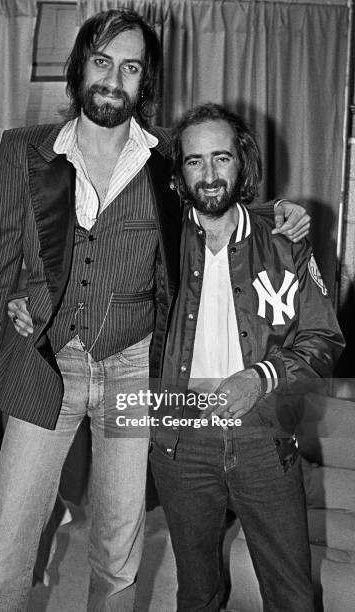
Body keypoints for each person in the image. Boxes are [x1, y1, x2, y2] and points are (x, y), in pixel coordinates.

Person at [0, 8, 310, 611]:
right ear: (80, 67)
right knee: (3, 557)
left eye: (132, 67)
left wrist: (282, 215)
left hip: (134, 371)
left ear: (146, 83)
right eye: (102, 61)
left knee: (118, 558)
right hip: (44, 367)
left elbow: (221, 202)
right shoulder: (24, 151)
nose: (114, 78)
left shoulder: (168, 156)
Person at [148, 103, 345, 611]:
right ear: (178, 174)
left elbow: (324, 338)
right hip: (180, 446)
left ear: (243, 164)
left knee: (293, 595)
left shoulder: (286, 243)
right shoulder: (158, 244)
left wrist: (260, 377)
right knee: (196, 592)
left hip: (264, 440)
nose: (210, 174)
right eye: (194, 161)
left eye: (222, 158)